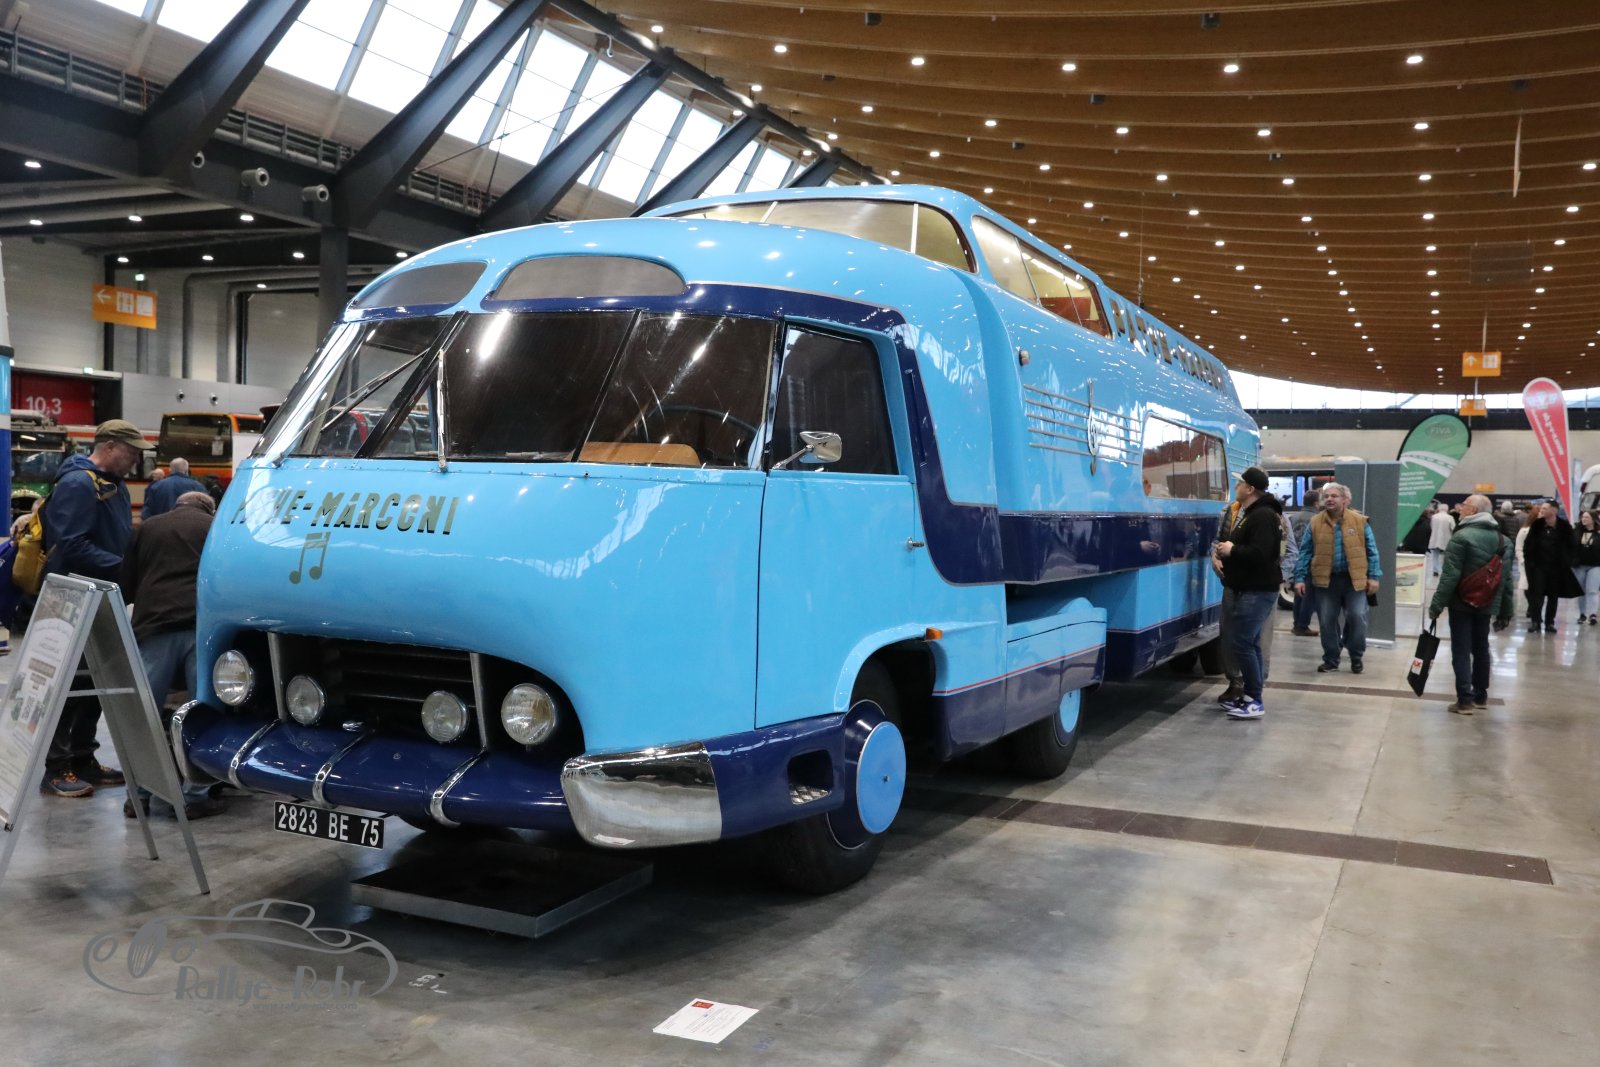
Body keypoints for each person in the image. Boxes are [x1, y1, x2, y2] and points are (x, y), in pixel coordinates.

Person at [37, 420, 142, 798]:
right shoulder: (79, 484)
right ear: (109, 446)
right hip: (71, 598)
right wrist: (124, 567)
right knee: (66, 685)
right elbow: (71, 544)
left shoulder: (113, 485)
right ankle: (56, 768)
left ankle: (83, 758)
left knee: (94, 682)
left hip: (102, 596)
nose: (135, 461)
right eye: (131, 453)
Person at [118, 491, 224, 819]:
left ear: (177, 505)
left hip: (154, 628)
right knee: (201, 713)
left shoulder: (148, 527)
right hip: (199, 628)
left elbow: (127, 583)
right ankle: (195, 796)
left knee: (143, 714)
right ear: (208, 508)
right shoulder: (215, 527)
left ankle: (138, 796)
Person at [1428, 494, 1513, 715]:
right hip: (1487, 602)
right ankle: (1481, 696)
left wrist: (1436, 605)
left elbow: (1450, 576)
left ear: (1474, 511)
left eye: (1464, 505)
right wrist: (1506, 611)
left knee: (1461, 650)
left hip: (1461, 602)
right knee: (1482, 647)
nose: (1460, 508)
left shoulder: (1461, 537)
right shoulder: (1504, 541)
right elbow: (1506, 580)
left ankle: (1464, 700)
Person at [1211, 466, 1283, 720]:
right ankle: (1251, 697)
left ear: (1250, 488)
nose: (1236, 487)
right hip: (1247, 588)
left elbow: (1261, 554)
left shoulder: (1262, 516)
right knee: (1248, 642)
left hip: (1256, 590)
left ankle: (1254, 699)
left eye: (1240, 483)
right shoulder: (1251, 514)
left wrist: (1232, 550)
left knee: (1242, 642)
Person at [1294, 481, 1383, 674]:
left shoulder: (1360, 521)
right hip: (1326, 581)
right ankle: (1331, 659)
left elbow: (1372, 551)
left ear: (1345, 500)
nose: (1329, 499)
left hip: (1354, 581)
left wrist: (1374, 576)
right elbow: (1305, 552)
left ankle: (1356, 655)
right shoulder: (1315, 522)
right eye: (1326, 496)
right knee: (1327, 621)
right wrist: (1299, 578)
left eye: (1334, 496)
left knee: (1356, 616)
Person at [1522, 501, 1580, 632]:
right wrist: (1530, 561)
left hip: (1556, 568)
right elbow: (1528, 544)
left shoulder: (1564, 526)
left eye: (1544, 508)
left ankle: (1550, 622)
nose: (1541, 510)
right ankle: (1536, 621)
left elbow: (1572, 545)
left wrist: (1568, 561)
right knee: (1537, 595)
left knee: (1553, 596)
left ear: (1553, 511)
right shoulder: (1537, 525)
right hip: (1538, 567)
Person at [1289, 490, 1320, 636]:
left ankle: (1296, 624)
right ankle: (1302, 626)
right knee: (1309, 596)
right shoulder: (1318, 519)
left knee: (1298, 594)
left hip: (1294, 559)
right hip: (1310, 560)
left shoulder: (1292, 518)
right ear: (1316, 503)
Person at [140, 456, 206, 521]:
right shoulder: (198, 487)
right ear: (186, 470)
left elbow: (146, 514)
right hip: (189, 526)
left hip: (162, 525)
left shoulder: (156, 486)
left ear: (170, 470)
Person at [1574, 511, 1600, 626]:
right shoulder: (1577, 531)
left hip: (1596, 565)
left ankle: (1592, 614)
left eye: (1586, 517)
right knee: (1581, 591)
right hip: (1580, 565)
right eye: (1583, 517)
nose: (1583, 519)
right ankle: (1582, 614)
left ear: (1593, 519)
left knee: (1592, 590)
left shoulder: (1598, 532)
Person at [1427, 502, 1455, 580]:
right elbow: (1453, 528)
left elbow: (1431, 527)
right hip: (1446, 539)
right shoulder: (1450, 517)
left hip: (1435, 538)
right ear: (1447, 509)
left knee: (1435, 556)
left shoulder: (1434, 517)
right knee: (1446, 556)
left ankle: (1435, 571)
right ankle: (1445, 571)